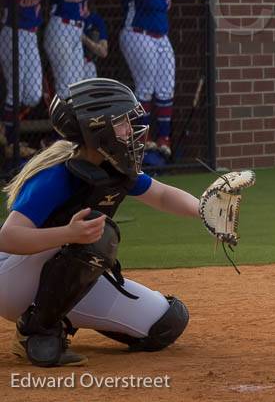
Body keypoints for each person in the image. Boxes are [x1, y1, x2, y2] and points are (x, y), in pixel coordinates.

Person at [0, 77, 196, 367]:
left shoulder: (115, 167)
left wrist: (204, 208)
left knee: (165, 323)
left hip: (57, 273)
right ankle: (36, 331)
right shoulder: (56, 175)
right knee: (97, 234)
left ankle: (58, 316)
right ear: (96, 128)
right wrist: (68, 233)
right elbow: (8, 237)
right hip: (11, 280)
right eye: (121, 122)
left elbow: (163, 195)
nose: (131, 130)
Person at [116, 0, 191, 159]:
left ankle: (164, 138)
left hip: (161, 37)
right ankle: (143, 136)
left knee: (166, 88)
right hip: (137, 34)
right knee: (145, 87)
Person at [44, 0, 116, 100]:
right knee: (67, 84)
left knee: (77, 83)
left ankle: (74, 124)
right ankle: (66, 124)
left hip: (77, 29)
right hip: (60, 28)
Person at [2, 0, 46, 157]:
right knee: (16, 89)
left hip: (30, 35)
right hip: (12, 33)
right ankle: (11, 140)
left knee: (33, 95)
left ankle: (5, 126)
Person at [79, 1, 108, 80]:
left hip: (87, 63)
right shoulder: (69, 20)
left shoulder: (96, 20)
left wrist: (85, 39)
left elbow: (103, 52)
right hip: (71, 63)